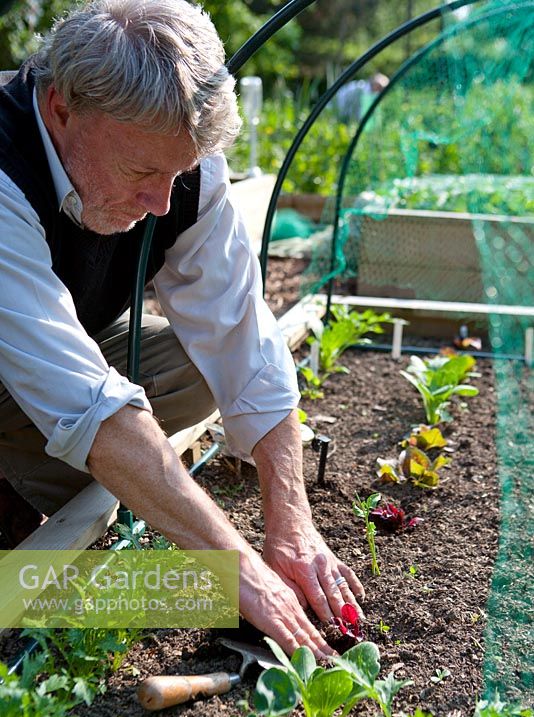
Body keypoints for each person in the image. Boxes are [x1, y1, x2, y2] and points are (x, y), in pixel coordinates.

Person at [0, 0, 365, 656]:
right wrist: (239, 571)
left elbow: (242, 340)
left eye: (178, 174)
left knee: (202, 369)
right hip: (19, 361)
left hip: (31, 364)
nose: (162, 202)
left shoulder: (176, 150)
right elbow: (91, 407)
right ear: (61, 108)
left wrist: (290, 523)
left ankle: (39, 491)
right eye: (143, 173)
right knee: (104, 441)